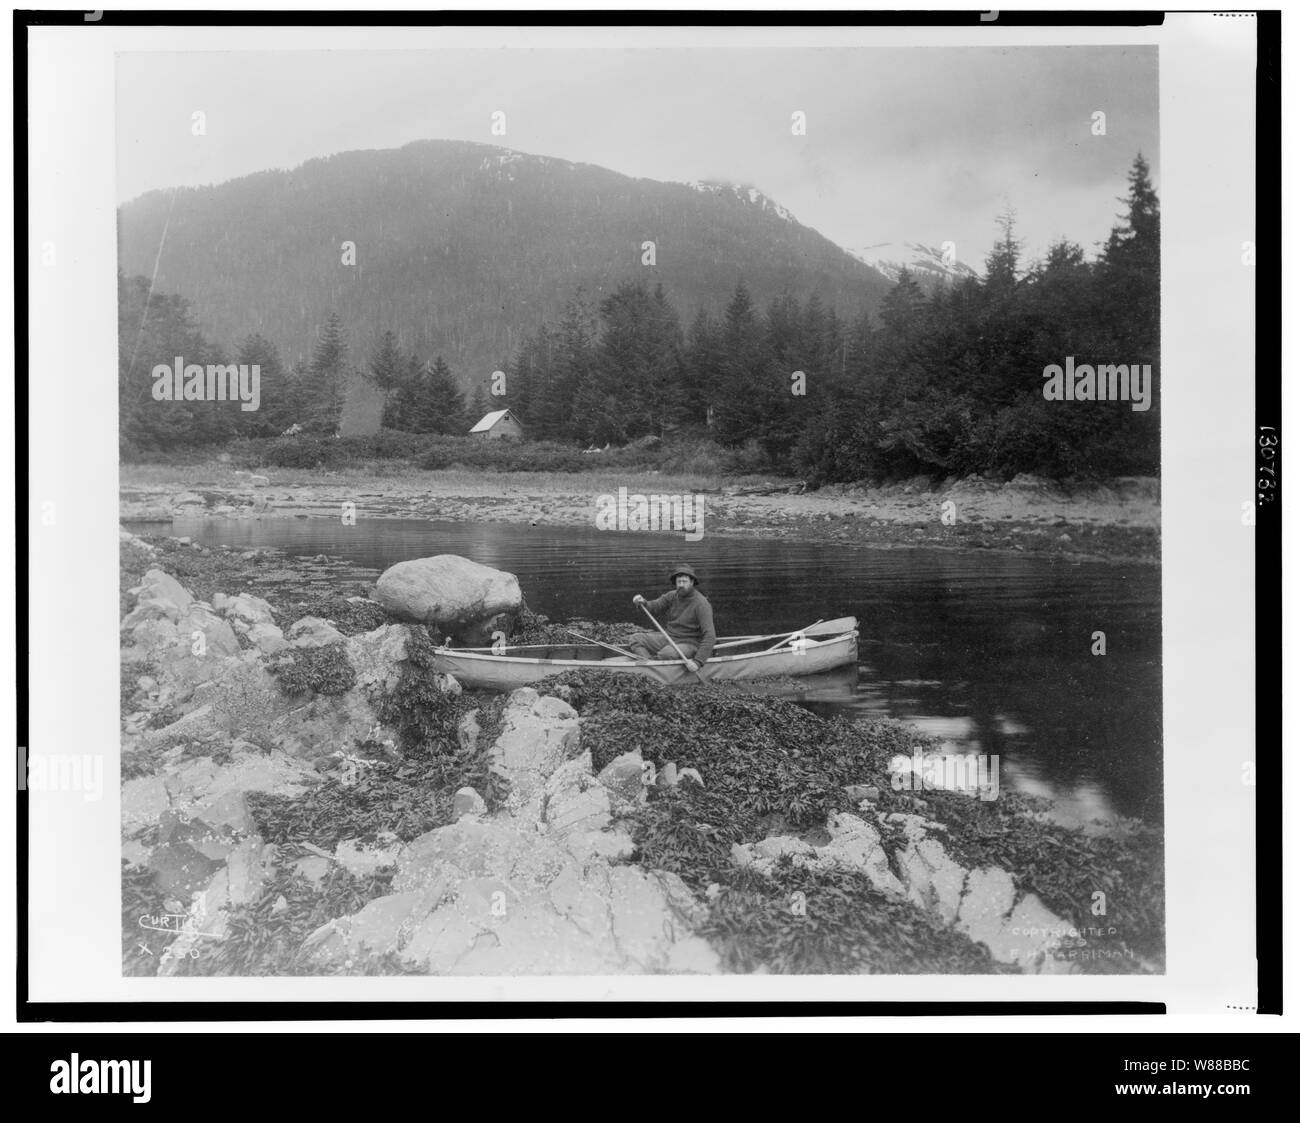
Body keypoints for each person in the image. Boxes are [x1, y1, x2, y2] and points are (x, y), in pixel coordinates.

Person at [627, 563, 716, 672]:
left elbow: (710, 636)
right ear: (675, 583)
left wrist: (698, 662)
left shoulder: (701, 604)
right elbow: (655, 606)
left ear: (692, 582)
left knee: (666, 654)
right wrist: (643, 603)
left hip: (690, 643)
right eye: (679, 582)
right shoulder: (672, 596)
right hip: (669, 637)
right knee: (635, 639)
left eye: (685, 581)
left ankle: (653, 667)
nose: (681, 585)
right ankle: (651, 666)